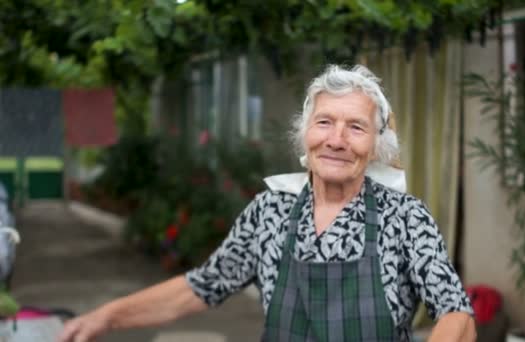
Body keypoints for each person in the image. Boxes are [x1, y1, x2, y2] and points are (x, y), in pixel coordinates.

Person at [59, 65, 475, 342]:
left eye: (356, 128)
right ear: (304, 134)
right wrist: (108, 316)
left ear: (376, 146)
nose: (336, 140)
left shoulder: (404, 217)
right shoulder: (269, 212)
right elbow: (202, 287)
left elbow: (457, 315)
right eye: (325, 122)